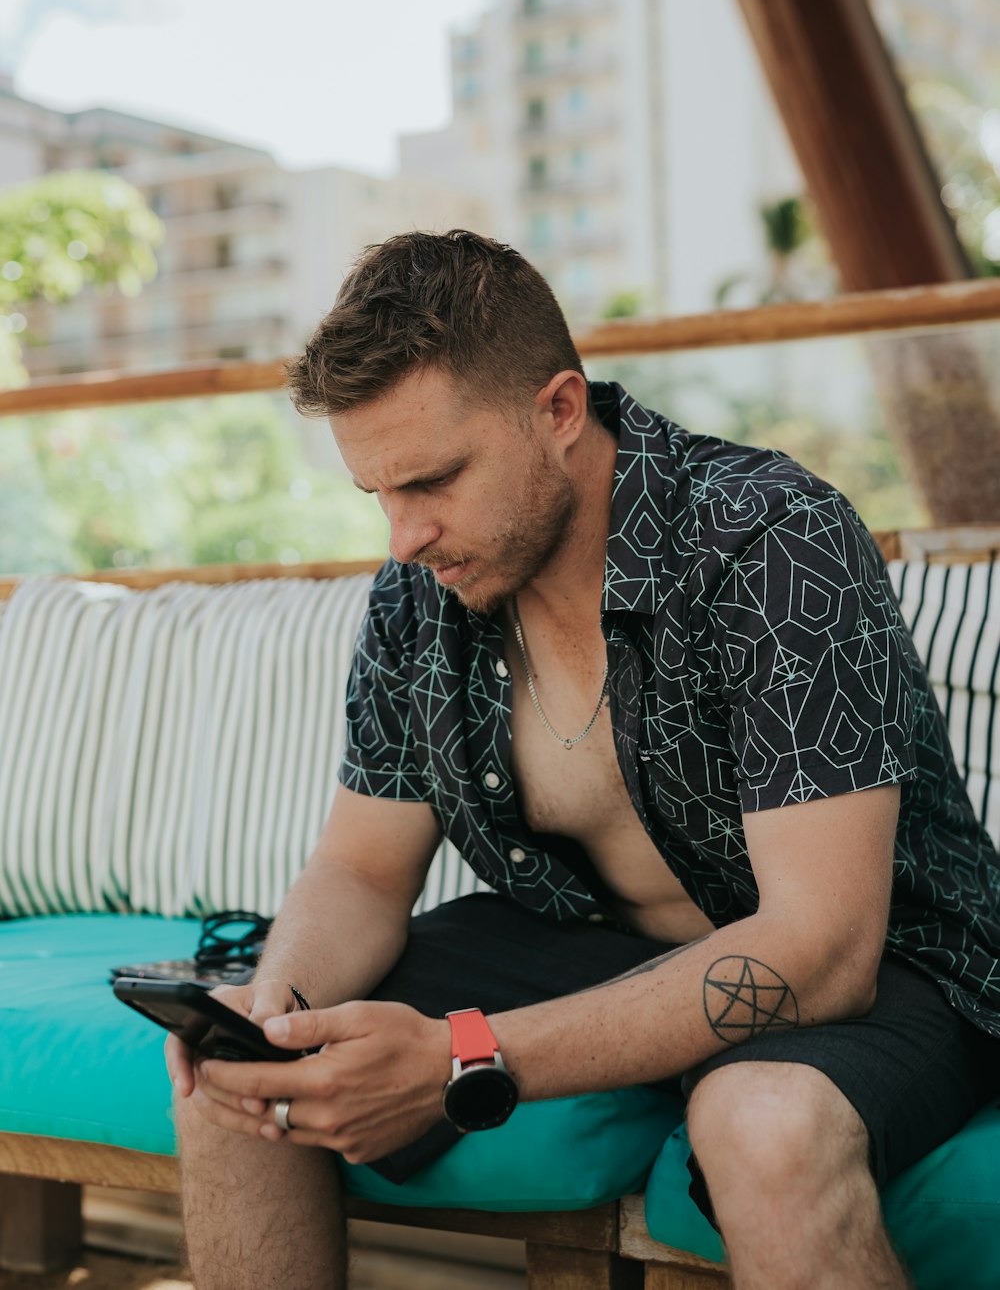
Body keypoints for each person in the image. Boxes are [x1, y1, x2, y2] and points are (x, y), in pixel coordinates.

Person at [169, 230, 1000, 1290]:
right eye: (377, 493)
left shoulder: (769, 540)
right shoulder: (423, 591)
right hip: (589, 942)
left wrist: (465, 1055)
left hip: (886, 967)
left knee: (765, 1124)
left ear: (558, 411)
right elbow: (360, 871)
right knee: (242, 1081)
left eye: (432, 479)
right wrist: (272, 1008)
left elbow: (824, 948)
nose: (403, 536)